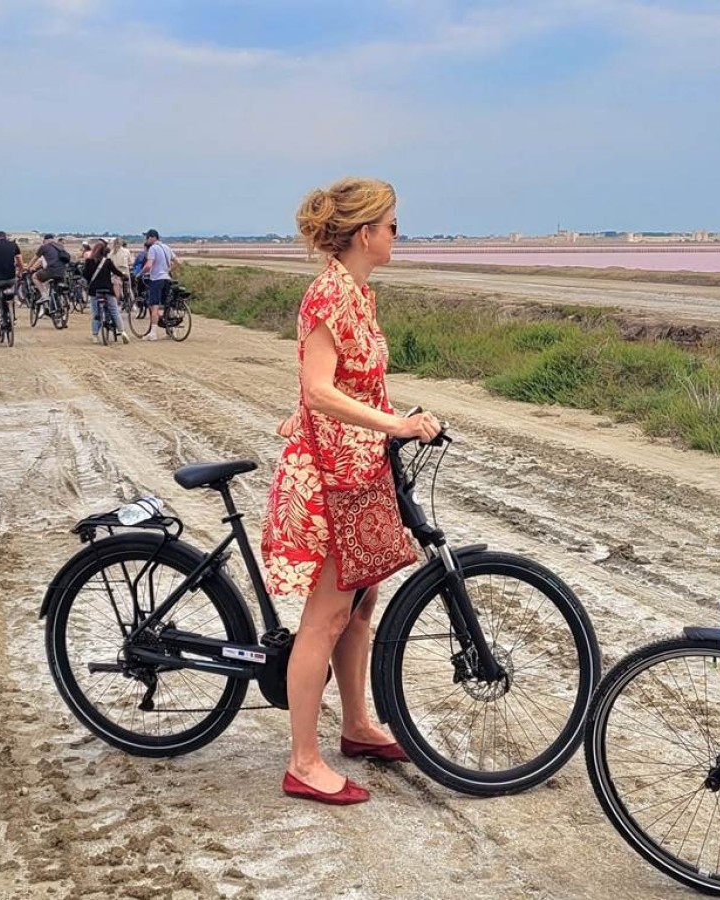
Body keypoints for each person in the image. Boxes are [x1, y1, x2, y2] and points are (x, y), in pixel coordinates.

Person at [260, 177, 440, 805]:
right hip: (332, 479)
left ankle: (358, 724)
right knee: (326, 617)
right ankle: (303, 761)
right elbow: (319, 388)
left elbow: (334, 384)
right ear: (366, 233)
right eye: (392, 225)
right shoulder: (329, 294)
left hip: (360, 472)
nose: (398, 235)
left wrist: (367, 424)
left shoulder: (357, 293)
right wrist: (396, 423)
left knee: (360, 608)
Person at [83, 239, 129, 343]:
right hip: (107, 289)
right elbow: (116, 272)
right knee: (114, 310)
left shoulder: (88, 261)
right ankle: (122, 332)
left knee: (96, 313)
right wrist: (124, 276)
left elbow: (85, 275)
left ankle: (95, 336)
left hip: (94, 290)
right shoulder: (107, 261)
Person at [140, 228, 176, 340]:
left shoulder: (153, 249)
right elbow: (177, 261)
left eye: (147, 237)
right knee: (167, 305)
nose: (146, 240)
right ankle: (171, 331)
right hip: (167, 278)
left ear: (152, 238)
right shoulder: (167, 247)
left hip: (156, 279)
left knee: (154, 305)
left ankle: (153, 333)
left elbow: (149, 265)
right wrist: (169, 269)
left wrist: (140, 273)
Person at [23, 233, 69, 319]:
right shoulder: (60, 247)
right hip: (62, 272)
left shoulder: (44, 247)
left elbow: (35, 258)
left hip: (51, 271)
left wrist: (28, 268)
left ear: (45, 240)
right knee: (57, 290)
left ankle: (44, 295)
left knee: (34, 277)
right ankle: (60, 308)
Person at [0, 231, 21, 324]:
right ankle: (12, 315)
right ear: (5, 237)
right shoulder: (14, 245)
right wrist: (20, 272)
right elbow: (20, 262)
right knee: (10, 295)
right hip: (10, 279)